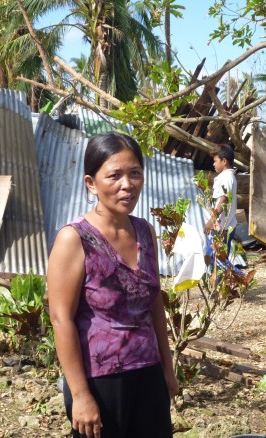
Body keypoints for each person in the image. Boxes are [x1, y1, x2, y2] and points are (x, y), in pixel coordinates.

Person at [47, 132, 178, 438]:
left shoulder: (145, 233)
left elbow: (154, 303)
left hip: (147, 373)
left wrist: (167, 370)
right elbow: (61, 319)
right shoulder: (74, 239)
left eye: (134, 174)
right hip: (100, 381)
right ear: (91, 183)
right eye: (114, 175)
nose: (127, 184)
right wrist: (80, 395)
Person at [203, 143, 238, 267]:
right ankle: (220, 283)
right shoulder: (225, 177)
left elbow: (224, 200)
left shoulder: (227, 177)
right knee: (212, 258)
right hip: (220, 227)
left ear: (224, 161)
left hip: (223, 228)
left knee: (218, 262)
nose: (213, 164)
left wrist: (212, 220)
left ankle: (241, 279)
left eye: (215, 161)